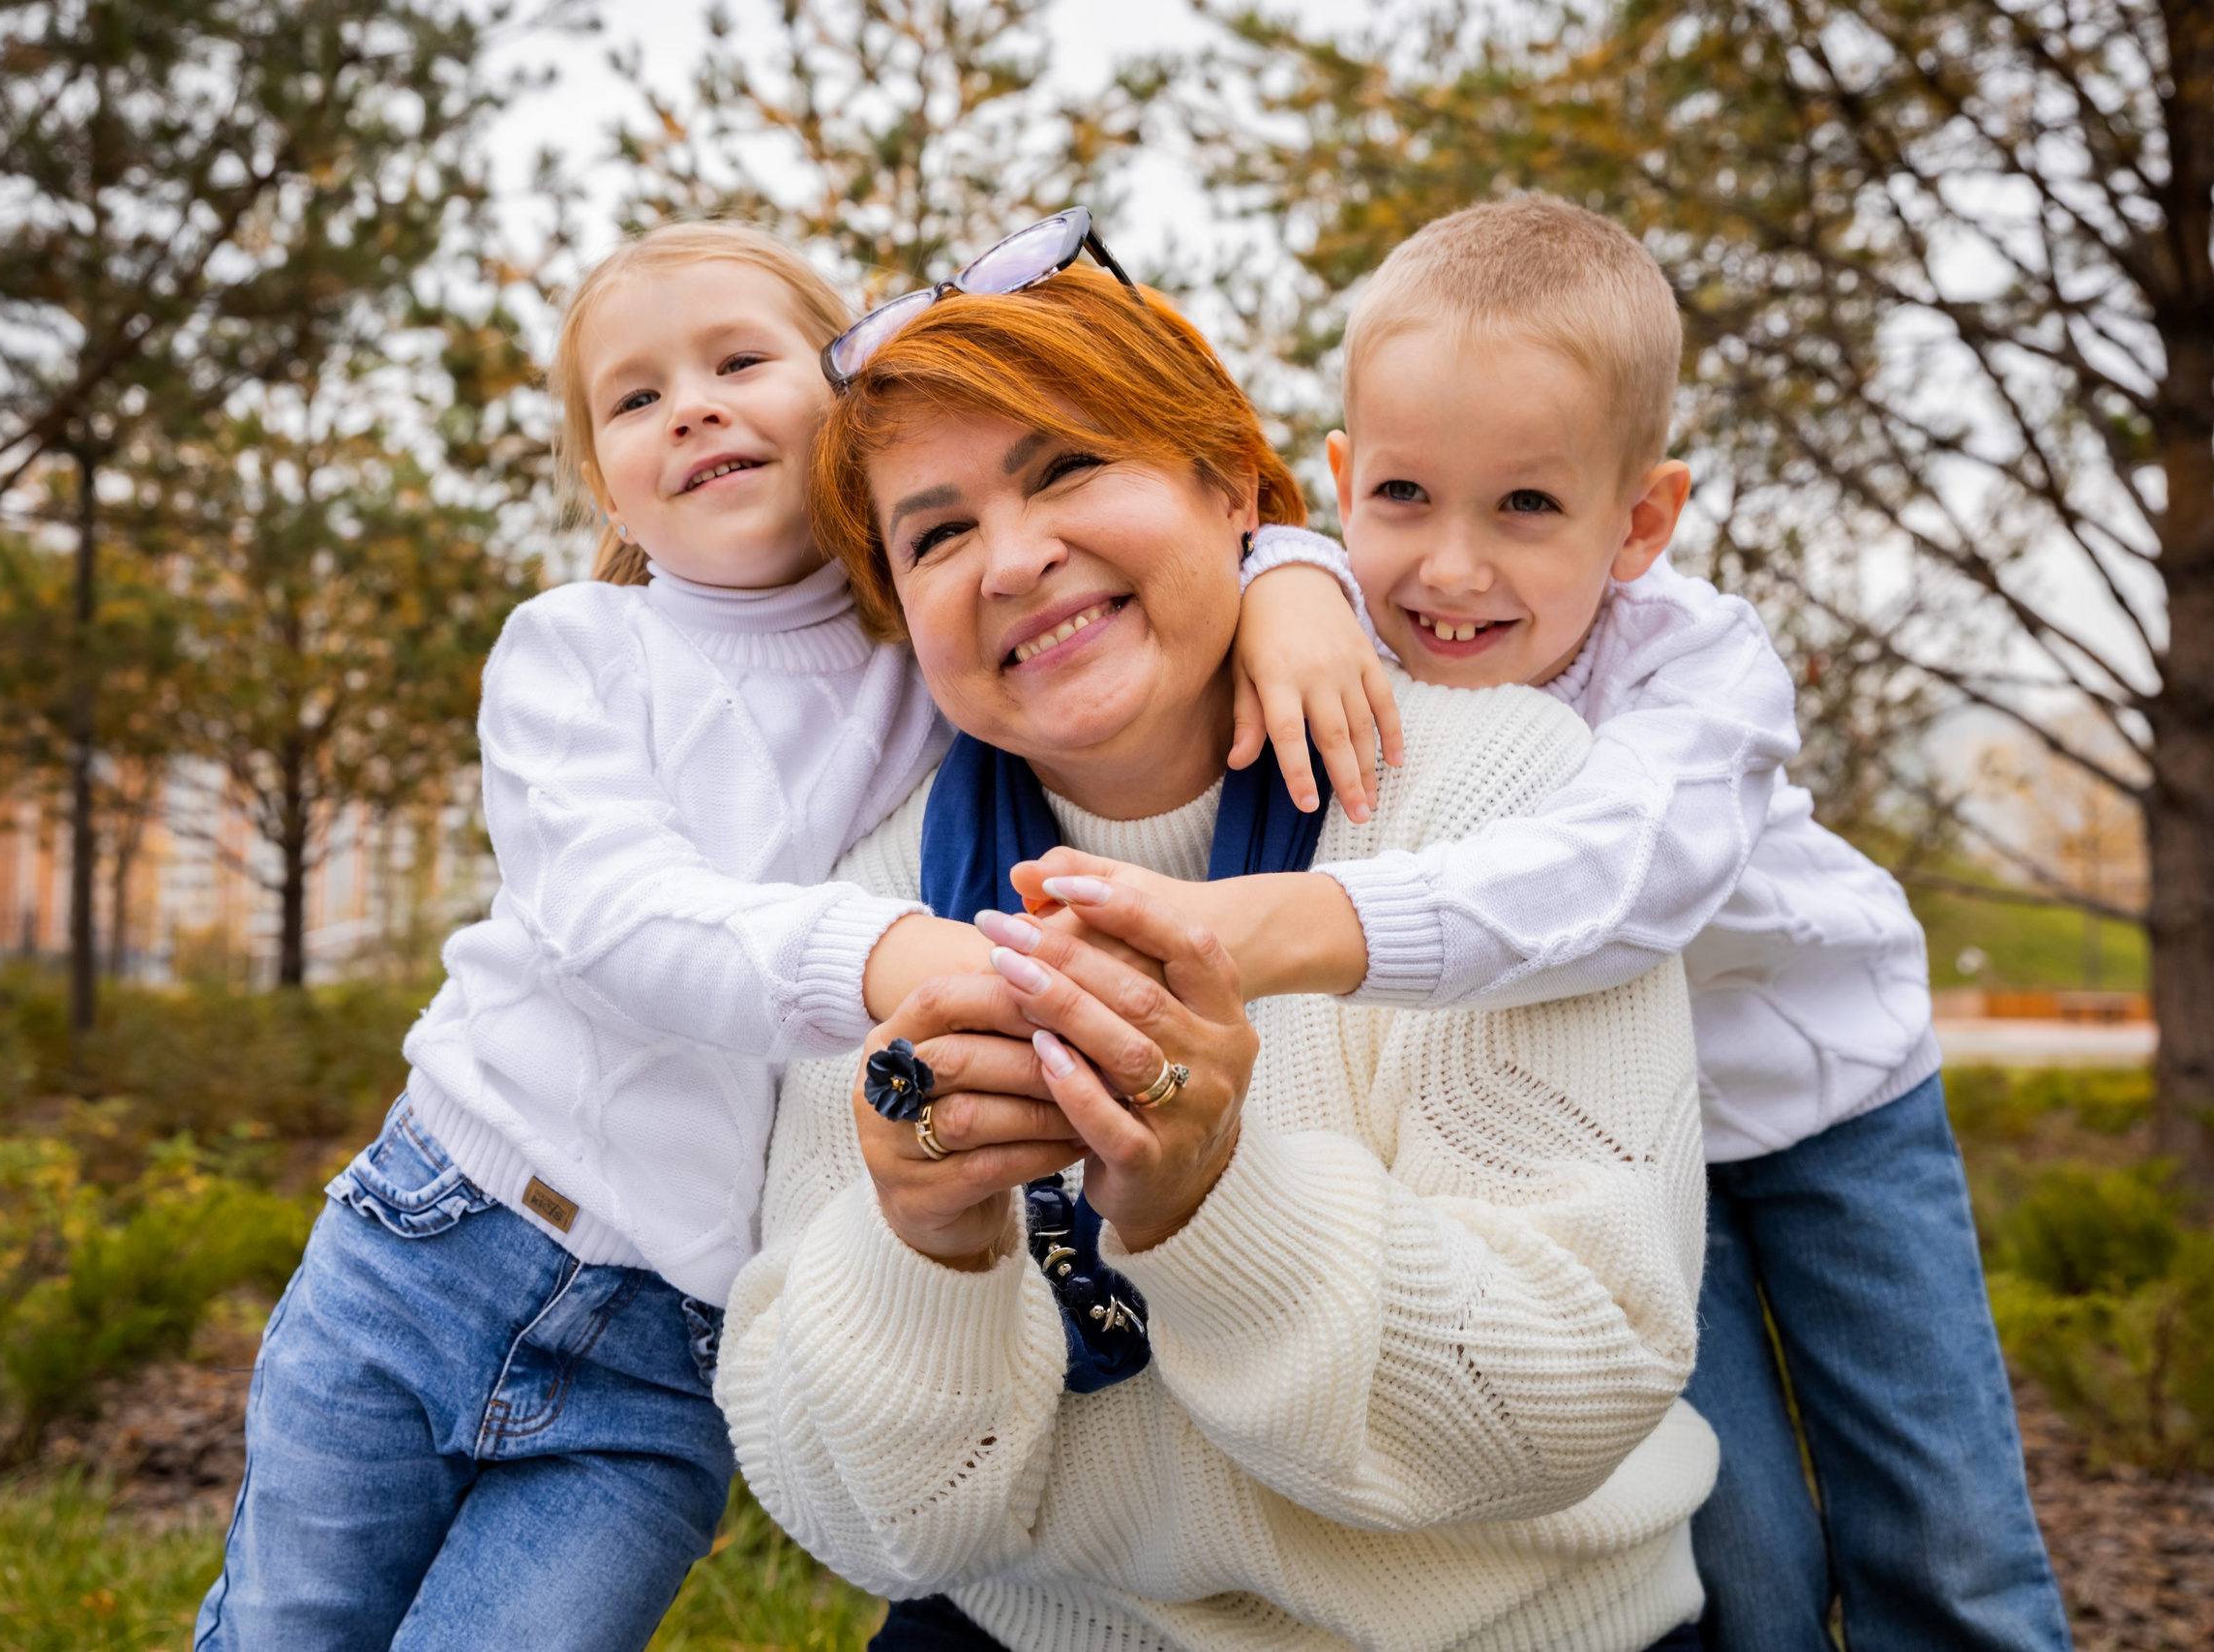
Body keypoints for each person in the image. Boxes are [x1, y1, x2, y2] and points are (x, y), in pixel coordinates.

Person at [191, 219, 1391, 1651]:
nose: (688, 404)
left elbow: (1112, 581)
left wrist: (1294, 580)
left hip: (667, 1347)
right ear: (609, 488)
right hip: (439, 1236)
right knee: (286, 1626)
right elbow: (613, 915)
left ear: (847, 422)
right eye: (634, 398)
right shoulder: (579, 649)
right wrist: (889, 954)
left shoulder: (921, 651)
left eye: (738, 360)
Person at [1037, 195, 2070, 1652]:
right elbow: (1270, 555)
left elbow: (1610, 890)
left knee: (1940, 1525)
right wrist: (1286, 582)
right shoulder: (1338, 607)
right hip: (1626, 1149)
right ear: (1344, 485)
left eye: (1526, 506)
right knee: (1739, 1557)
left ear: (1641, 518)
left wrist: (1298, 922)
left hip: (1826, 1105)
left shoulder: (1701, 674)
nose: (1451, 569)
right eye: (1401, 500)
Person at [717, 257, 1717, 1651]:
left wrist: (1212, 1198)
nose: (1011, 561)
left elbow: (1581, 1377)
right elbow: (854, 1512)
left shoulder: (1506, 803)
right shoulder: (879, 910)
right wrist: (924, 1245)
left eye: (1067, 469)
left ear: (1234, 491)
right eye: (936, 537)